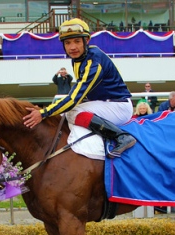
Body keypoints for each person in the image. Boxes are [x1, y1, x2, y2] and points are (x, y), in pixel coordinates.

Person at [23, 18, 135, 159]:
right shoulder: (80, 58)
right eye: (68, 42)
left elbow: (74, 98)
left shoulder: (93, 63)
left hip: (118, 106)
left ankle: (121, 137)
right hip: (106, 103)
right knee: (70, 113)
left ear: (86, 40)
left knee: (73, 112)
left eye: (77, 41)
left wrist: (44, 113)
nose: (72, 47)